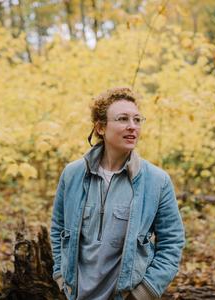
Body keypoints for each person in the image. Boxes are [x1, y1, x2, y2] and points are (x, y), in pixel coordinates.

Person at [50, 87, 185, 300]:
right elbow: (58, 228)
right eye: (123, 119)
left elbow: (172, 242)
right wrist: (60, 276)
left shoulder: (157, 181)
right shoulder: (72, 174)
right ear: (101, 127)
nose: (133, 127)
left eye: (137, 120)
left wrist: (144, 293)